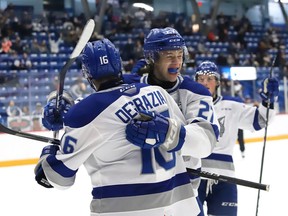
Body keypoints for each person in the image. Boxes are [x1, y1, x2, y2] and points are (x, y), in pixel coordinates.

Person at [35, 38, 200, 215]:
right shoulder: (157, 92)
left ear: (87, 73)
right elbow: (185, 141)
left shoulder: (85, 113)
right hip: (180, 206)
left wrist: (49, 152)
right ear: (119, 64)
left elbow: (58, 178)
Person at [123, 27, 220, 214]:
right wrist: (65, 105)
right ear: (152, 58)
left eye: (179, 55)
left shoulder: (195, 92)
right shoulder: (129, 89)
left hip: (182, 193)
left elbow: (206, 143)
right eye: (169, 56)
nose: (177, 62)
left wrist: (168, 132)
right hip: (140, 193)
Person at [194, 60, 279, 216]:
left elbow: (261, 120)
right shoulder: (187, 106)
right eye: (201, 79)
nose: (205, 83)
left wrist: (268, 101)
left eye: (210, 79)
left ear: (217, 82)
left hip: (225, 178)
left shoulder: (232, 105)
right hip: (193, 176)